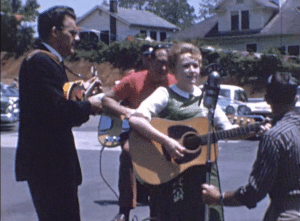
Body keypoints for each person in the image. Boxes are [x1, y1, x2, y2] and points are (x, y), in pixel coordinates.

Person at [128, 42, 239, 221]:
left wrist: (254, 129)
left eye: (195, 65)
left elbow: (228, 129)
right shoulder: (165, 94)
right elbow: (135, 119)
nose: (192, 70)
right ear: (174, 69)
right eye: (186, 66)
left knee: (210, 215)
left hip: (204, 172)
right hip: (172, 171)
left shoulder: (207, 99)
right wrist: (166, 141)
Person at [15, 6, 103, 221]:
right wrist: (91, 105)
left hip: (52, 166)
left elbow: (57, 100)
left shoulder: (48, 62)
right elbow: (59, 111)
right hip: (49, 167)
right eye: (72, 32)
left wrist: (83, 92)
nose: (77, 38)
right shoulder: (40, 62)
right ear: (54, 32)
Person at [202, 72, 300, 221]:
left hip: (287, 214)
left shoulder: (274, 137)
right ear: (296, 98)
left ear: (267, 99)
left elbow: (255, 192)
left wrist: (219, 198)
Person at [101, 45, 177, 221]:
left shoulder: (174, 82)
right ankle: (124, 210)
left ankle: (158, 213)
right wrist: (126, 112)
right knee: (127, 153)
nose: (163, 68)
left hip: (163, 136)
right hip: (136, 133)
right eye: (159, 63)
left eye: (167, 64)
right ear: (149, 61)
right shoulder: (134, 80)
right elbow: (107, 99)